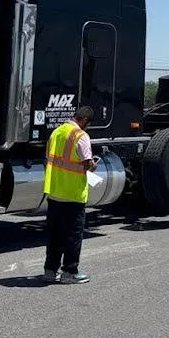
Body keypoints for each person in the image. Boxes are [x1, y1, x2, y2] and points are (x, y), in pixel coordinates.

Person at [42, 105, 97, 284]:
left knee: (55, 235)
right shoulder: (81, 136)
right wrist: (94, 165)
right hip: (73, 194)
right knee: (73, 235)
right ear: (84, 121)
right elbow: (87, 163)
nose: (86, 127)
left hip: (55, 191)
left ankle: (50, 271)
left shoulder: (56, 132)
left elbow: (47, 161)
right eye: (87, 124)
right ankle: (70, 272)